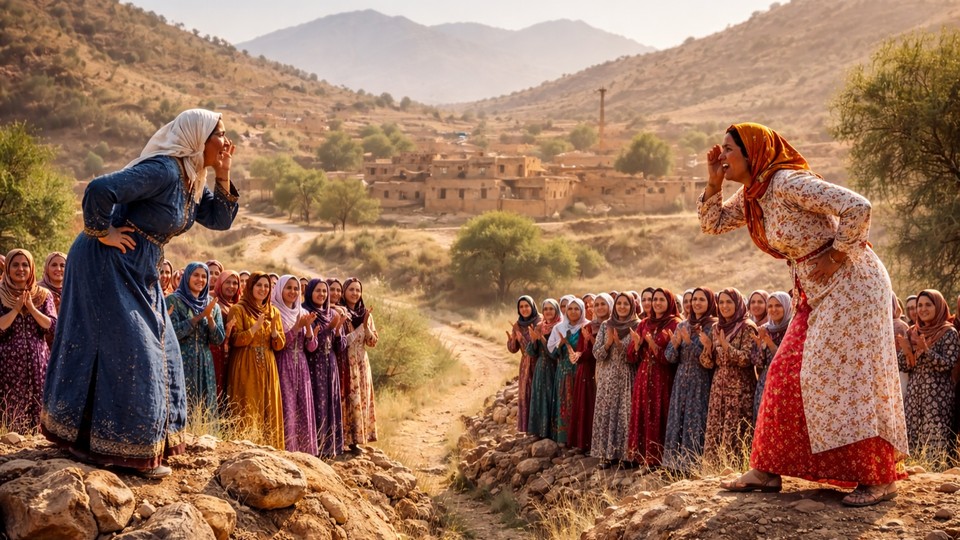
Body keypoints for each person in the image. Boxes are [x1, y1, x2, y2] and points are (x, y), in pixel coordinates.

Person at [701, 122, 907, 507]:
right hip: (813, 291)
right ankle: (766, 470)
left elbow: (858, 206)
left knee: (853, 378)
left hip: (853, 284)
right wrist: (714, 185)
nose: (721, 155)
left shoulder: (787, 183)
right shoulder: (753, 196)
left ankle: (878, 478)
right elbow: (711, 225)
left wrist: (838, 253)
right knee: (785, 370)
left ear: (754, 154)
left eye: (729, 149)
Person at [41, 109, 239, 478]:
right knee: (136, 351)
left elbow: (220, 220)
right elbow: (100, 190)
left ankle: (128, 443)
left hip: (140, 267)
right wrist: (103, 232)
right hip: (106, 260)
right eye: (220, 134)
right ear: (198, 137)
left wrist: (222, 173)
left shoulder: (190, 179)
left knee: (165, 352)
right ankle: (115, 449)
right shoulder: (163, 170)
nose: (227, 141)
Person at [896, 290, 958, 459]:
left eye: (928, 305)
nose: (923, 309)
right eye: (920, 305)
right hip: (914, 396)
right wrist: (908, 352)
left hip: (938, 398)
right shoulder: (912, 332)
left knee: (935, 443)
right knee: (913, 441)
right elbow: (902, 365)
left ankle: (936, 472)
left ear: (938, 306)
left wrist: (927, 351)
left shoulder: (948, 332)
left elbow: (948, 364)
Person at [227, 272, 285, 450]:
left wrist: (274, 333)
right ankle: (246, 448)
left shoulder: (273, 311)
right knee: (247, 405)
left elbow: (280, 344)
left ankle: (270, 449)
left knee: (269, 406)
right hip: (245, 364)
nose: (263, 289)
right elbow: (234, 340)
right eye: (259, 285)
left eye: (266, 286)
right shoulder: (238, 309)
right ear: (250, 287)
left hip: (268, 365)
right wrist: (254, 328)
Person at [0, 249, 57, 432]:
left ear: (31, 268)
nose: (21, 269)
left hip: (39, 360)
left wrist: (32, 308)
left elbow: (53, 326)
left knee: (39, 402)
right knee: (10, 406)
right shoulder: (1, 294)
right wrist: (16, 309)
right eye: (15, 265)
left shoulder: (43, 294)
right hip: (7, 363)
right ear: (7, 268)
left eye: (25, 264)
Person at [662, 287, 717, 471]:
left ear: (710, 303)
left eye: (702, 299)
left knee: (696, 420)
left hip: (701, 380)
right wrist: (676, 343)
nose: (697, 303)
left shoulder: (713, 326)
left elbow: (708, 360)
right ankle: (674, 465)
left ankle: (692, 464)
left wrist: (688, 343)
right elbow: (669, 357)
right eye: (694, 299)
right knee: (679, 418)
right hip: (681, 379)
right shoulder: (682, 325)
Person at [626, 288, 681, 466]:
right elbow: (631, 357)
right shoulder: (644, 323)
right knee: (642, 412)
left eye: (661, 300)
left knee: (659, 412)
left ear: (669, 303)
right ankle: (640, 456)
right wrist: (636, 345)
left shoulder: (675, 324)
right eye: (655, 299)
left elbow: (671, 358)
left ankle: (656, 458)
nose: (657, 303)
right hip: (643, 375)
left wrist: (653, 346)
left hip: (663, 377)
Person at [167, 262, 225, 418]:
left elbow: (218, 340)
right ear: (187, 277)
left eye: (204, 276)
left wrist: (210, 319)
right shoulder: (173, 301)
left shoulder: (213, 305)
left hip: (205, 362)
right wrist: (199, 317)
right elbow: (171, 333)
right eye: (196, 275)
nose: (200, 279)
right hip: (180, 360)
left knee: (204, 407)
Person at [590, 293, 639, 467]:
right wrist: (609, 343)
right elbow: (597, 354)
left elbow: (636, 356)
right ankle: (606, 455)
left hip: (627, 376)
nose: (622, 307)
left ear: (632, 306)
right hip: (607, 377)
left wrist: (620, 345)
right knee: (606, 414)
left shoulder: (637, 326)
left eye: (626, 304)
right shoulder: (606, 325)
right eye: (619, 303)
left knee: (624, 415)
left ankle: (626, 457)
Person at [273, 275, 318, 455]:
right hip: (283, 364)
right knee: (287, 406)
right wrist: (297, 328)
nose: (293, 292)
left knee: (303, 407)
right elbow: (279, 345)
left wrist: (308, 329)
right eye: (289, 288)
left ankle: (304, 451)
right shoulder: (275, 312)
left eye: (296, 288)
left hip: (302, 366)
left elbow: (312, 347)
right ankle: (287, 450)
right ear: (280, 289)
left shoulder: (303, 312)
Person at [303, 278, 345, 458]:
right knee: (317, 404)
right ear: (310, 292)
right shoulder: (305, 312)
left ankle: (330, 447)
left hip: (331, 365)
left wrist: (336, 331)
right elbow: (308, 345)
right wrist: (326, 330)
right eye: (318, 291)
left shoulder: (331, 314)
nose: (322, 294)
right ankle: (316, 448)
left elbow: (341, 346)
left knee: (331, 403)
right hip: (313, 366)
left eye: (324, 291)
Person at [568, 293, 611, 451]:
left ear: (610, 306)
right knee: (587, 405)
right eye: (597, 305)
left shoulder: (613, 326)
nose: (599, 308)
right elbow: (582, 350)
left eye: (603, 304)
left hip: (606, 370)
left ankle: (601, 444)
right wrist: (577, 355)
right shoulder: (587, 327)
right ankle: (585, 443)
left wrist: (592, 341)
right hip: (587, 370)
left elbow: (608, 351)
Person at [340, 277, 378, 452]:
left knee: (361, 398)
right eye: (351, 289)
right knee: (348, 398)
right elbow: (342, 342)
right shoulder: (341, 313)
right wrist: (360, 328)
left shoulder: (366, 314)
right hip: (346, 361)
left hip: (362, 363)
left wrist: (367, 327)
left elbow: (372, 342)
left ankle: (357, 439)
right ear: (344, 292)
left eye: (358, 290)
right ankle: (345, 438)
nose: (355, 293)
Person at [548, 297, 587, 447]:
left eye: (577, 309)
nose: (573, 311)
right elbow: (552, 353)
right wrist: (561, 344)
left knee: (579, 401)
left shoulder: (587, 327)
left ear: (582, 310)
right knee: (564, 401)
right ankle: (563, 437)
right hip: (564, 371)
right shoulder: (559, 328)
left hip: (580, 371)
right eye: (570, 308)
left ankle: (578, 438)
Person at [751, 291, 792, 422]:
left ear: (787, 306)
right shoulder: (764, 329)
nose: (773, 310)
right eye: (770, 306)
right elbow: (758, 363)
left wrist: (768, 342)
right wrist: (759, 346)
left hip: (786, 384)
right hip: (766, 383)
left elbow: (785, 359)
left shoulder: (792, 329)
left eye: (778, 306)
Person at [526, 299, 561, 440]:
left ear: (556, 310)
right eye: (545, 309)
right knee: (540, 396)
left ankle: (551, 432)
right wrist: (534, 340)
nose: (548, 312)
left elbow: (555, 353)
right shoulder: (539, 326)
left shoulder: (559, 327)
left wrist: (542, 339)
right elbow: (531, 352)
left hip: (554, 367)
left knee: (551, 397)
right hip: (541, 367)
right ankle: (538, 430)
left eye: (551, 309)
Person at [506, 295, 541, 434]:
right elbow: (514, 349)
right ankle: (528, 428)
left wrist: (524, 339)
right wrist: (512, 340)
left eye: (527, 306)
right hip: (525, 366)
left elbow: (537, 347)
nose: (524, 309)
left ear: (532, 306)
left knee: (538, 394)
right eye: (521, 307)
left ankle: (540, 428)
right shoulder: (517, 325)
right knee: (526, 394)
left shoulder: (540, 322)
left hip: (539, 363)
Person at [211, 270, 241, 401]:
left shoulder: (237, 305)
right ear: (220, 284)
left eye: (235, 283)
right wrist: (226, 333)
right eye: (227, 282)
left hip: (233, 356)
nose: (232, 286)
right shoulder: (213, 301)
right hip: (215, 354)